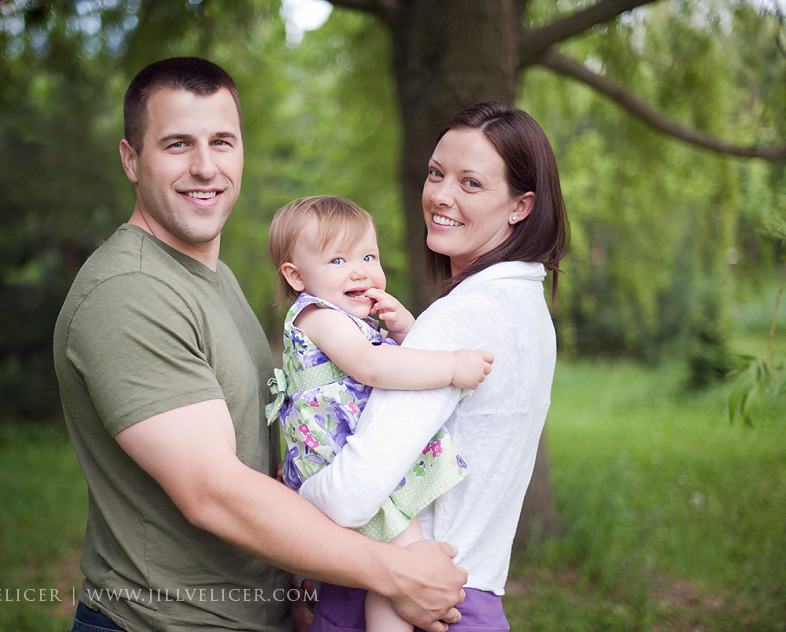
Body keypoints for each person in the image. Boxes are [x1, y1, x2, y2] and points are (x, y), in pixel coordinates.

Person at [53, 57, 467, 632]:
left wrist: (295, 587)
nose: (204, 166)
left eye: (222, 142)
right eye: (177, 144)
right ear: (131, 159)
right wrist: (392, 571)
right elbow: (214, 491)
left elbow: (267, 449)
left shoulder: (212, 279)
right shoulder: (129, 294)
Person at [298, 103, 570, 632]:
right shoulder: (530, 312)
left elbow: (355, 492)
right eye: (436, 173)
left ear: (521, 206)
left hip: (406, 602)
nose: (441, 196)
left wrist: (288, 499)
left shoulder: (460, 318)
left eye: (471, 183)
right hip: (476, 600)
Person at [265, 195, 493, 632]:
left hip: (347, 453)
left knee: (400, 561)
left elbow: (385, 360)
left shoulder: (349, 320)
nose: (360, 270)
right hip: (337, 460)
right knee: (402, 563)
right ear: (296, 276)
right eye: (337, 259)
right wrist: (450, 366)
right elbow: (372, 367)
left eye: (369, 255)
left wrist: (405, 330)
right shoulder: (317, 316)